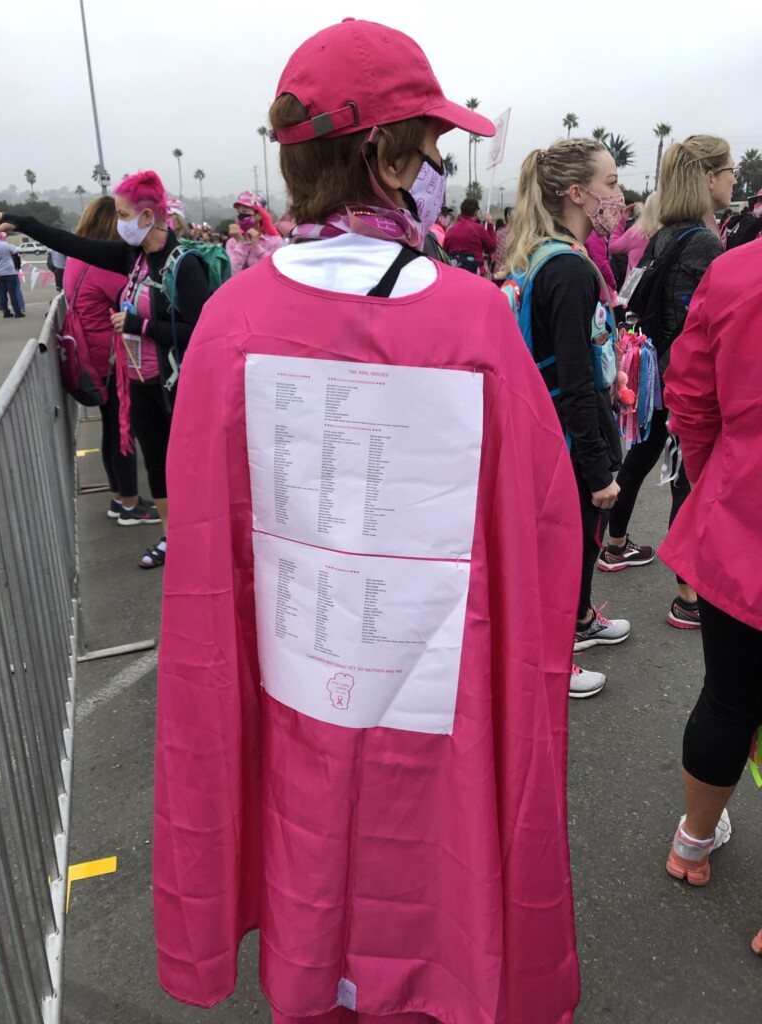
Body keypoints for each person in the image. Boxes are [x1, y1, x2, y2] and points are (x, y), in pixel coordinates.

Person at [154, 18, 581, 1024]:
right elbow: (545, 528)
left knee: (312, 883)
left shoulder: (232, 323)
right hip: (442, 705)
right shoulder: (471, 319)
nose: (434, 169)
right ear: (390, 161)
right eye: (428, 151)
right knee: (435, 885)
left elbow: (206, 552)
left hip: (291, 692)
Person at [0, 169, 212, 569]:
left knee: (187, 464)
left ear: (148, 217)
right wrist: (22, 221)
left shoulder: (183, 265)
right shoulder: (133, 257)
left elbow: (200, 329)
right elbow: (72, 243)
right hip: (138, 381)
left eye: (125, 214)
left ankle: (202, 535)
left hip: (174, 385)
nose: (119, 222)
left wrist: (140, 326)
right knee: (156, 464)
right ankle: (173, 539)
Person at [657, 237, 762, 959]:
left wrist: (715, 483)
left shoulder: (736, 271)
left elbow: (691, 399)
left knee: (728, 697)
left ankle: (691, 842)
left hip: (741, 531)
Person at [504, 138, 631, 698]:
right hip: (564, 426)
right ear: (577, 193)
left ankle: (579, 622)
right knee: (569, 544)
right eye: (609, 184)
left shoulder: (548, 254)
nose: (618, 196)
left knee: (575, 541)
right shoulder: (569, 269)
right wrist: (599, 468)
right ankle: (556, 658)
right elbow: (576, 380)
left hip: (550, 418)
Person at [598, 136, 729, 629]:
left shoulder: (663, 233)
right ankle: (687, 595)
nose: (735, 179)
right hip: (682, 380)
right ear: (709, 178)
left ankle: (614, 544)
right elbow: (699, 325)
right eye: (730, 170)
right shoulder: (703, 241)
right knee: (686, 480)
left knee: (645, 459)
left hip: (651, 374)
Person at [63, 196, 151, 522]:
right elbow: (133, 297)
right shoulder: (102, 264)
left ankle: (118, 498)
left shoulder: (76, 259)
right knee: (123, 431)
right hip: (113, 362)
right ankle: (131, 503)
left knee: (111, 429)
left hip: (93, 359)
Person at [226, 190, 283, 274]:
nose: (241, 216)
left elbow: (275, 269)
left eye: (245, 212)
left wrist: (256, 246)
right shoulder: (232, 243)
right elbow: (232, 272)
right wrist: (240, 243)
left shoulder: (275, 241)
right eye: (239, 213)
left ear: (259, 215)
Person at [608, 193, 660, 280]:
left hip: (635, 287)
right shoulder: (671, 233)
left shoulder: (636, 232)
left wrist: (622, 221)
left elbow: (612, 246)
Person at [443, 196, 495, 273]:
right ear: (475, 212)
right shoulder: (478, 229)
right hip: (475, 273)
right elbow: (491, 247)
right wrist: (490, 226)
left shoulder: (451, 230)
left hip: (455, 273)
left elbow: (444, 252)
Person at [0, 232, 25, 317]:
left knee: (3, 293)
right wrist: (18, 268)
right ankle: (17, 312)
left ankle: (6, 312)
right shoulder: (7, 245)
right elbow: (15, 254)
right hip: (10, 271)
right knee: (13, 293)